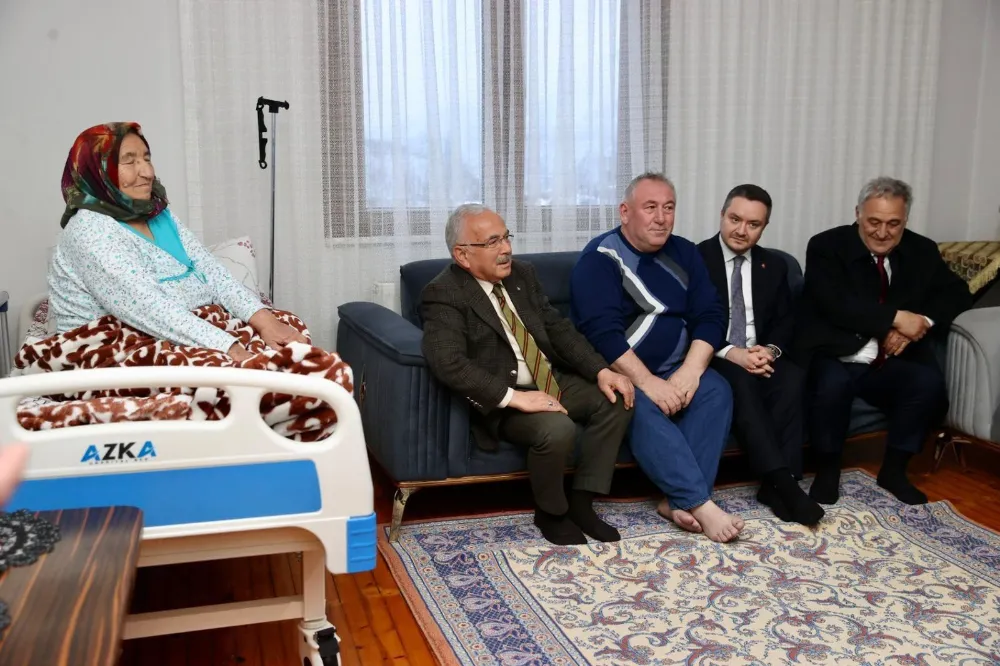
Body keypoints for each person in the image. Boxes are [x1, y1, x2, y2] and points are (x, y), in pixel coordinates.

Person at [420, 204, 635, 546]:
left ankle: (582, 502)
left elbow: (557, 329)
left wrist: (601, 370)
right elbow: (448, 362)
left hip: (549, 378)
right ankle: (551, 512)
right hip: (504, 398)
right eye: (492, 242)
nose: (506, 249)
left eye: (506, 237)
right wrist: (517, 398)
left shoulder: (523, 275)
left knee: (616, 399)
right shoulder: (444, 293)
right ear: (462, 255)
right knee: (556, 428)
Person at [570, 172, 743, 543]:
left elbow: (711, 314)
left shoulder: (685, 252)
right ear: (625, 212)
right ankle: (700, 503)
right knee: (633, 403)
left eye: (669, 208)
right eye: (650, 208)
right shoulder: (599, 259)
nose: (661, 218)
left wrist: (691, 371)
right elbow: (602, 335)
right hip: (623, 372)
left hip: (678, 367)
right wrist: (648, 382)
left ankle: (675, 501)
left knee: (717, 390)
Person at [49, 122, 303, 361]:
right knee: (260, 371)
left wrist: (265, 321)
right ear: (96, 172)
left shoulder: (157, 213)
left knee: (291, 331)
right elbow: (147, 307)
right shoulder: (89, 228)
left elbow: (210, 271)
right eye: (129, 161)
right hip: (113, 347)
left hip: (184, 328)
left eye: (147, 158)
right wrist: (233, 350)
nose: (147, 172)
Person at [796, 176, 973, 505]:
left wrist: (921, 322)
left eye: (893, 224)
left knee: (926, 383)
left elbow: (957, 293)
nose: (882, 232)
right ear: (858, 214)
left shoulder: (921, 249)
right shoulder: (825, 246)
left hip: (886, 361)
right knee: (832, 387)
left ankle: (894, 470)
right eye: (873, 222)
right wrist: (895, 318)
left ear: (905, 220)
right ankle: (827, 471)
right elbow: (834, 303)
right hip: (833, 354)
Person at [698, 184, 823, 525]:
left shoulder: (775, 264)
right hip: (716, 353)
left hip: (759, 352)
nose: (742, 230)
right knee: (740, 382)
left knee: (791, 377)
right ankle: (785, 483)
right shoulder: (696, 259)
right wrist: (733, 353)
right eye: (735, 219)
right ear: (722, 216)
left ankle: (776, 484)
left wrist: (769, 351)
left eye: (753, 224)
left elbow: (785, 321)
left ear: (764, 227)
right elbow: (692, 320)